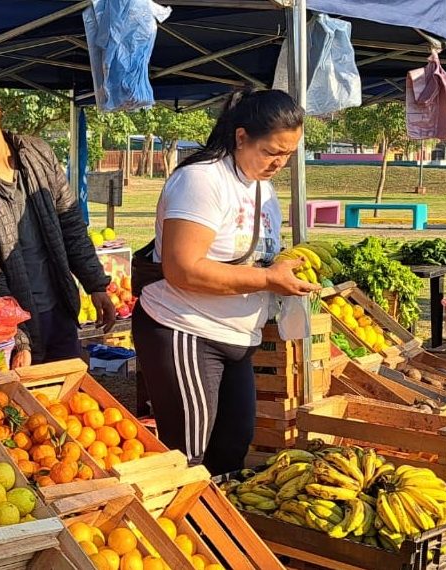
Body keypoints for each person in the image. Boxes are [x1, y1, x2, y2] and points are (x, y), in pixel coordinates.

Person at [132, 88, 320, 475]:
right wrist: (267, 278)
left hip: (238, 337)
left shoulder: (263, 189)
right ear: (240, 137)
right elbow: (183, 269)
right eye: (272, 151)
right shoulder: (201, 181)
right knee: (189, 457)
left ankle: (213, 531)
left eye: (288, 154)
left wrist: (284, 271)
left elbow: (258, 257)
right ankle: (179, 533)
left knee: (233, 446)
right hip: (186, 330)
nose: (279, 163)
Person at [0, 78, 114, 366]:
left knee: (71, 399)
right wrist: (17, 338)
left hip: (61, 307)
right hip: (17, 323)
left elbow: (70, 224)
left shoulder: (38, 154)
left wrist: (95, 284)